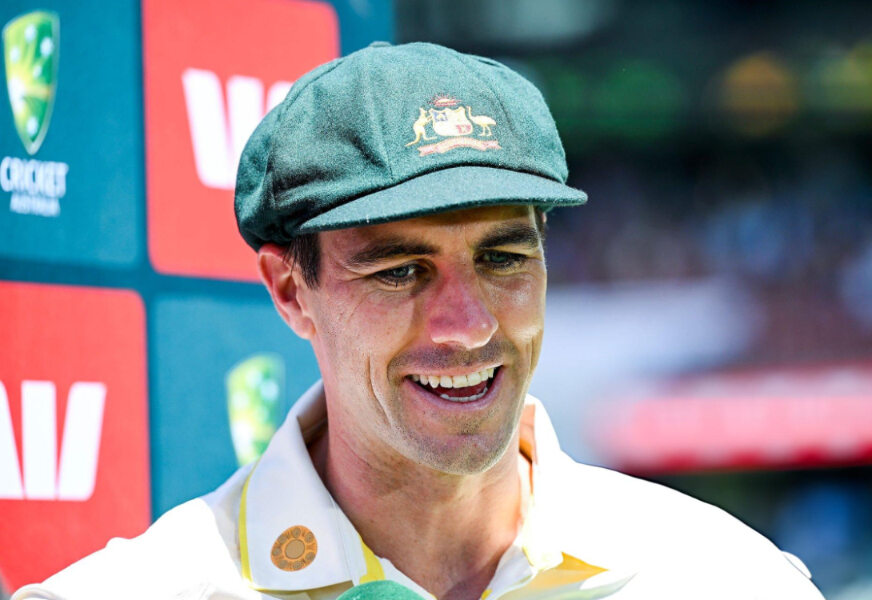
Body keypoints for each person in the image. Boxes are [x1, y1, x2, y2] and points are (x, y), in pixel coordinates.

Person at [13, 42, 824, 600]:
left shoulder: (724, 578)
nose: (466, 326)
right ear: (290, 291)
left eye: (503, 258)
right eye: (400, 270)